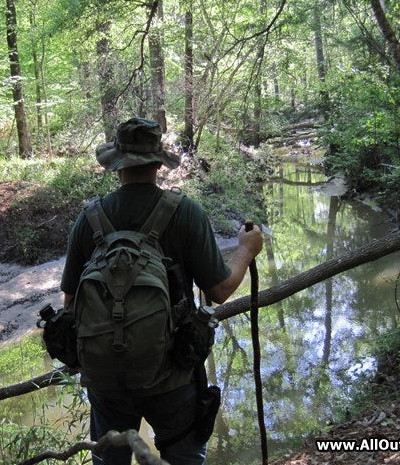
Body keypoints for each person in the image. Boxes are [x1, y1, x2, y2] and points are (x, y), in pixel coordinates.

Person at [60, 117, 263, 465]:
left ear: (116, 164)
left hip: (107, 379)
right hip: (173, 374)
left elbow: (70, 303)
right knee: (183, 458)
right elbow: (219, 290)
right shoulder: (186, 213)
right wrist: (246, 249)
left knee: (110, 460)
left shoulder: (89, 218)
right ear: (158, 163)